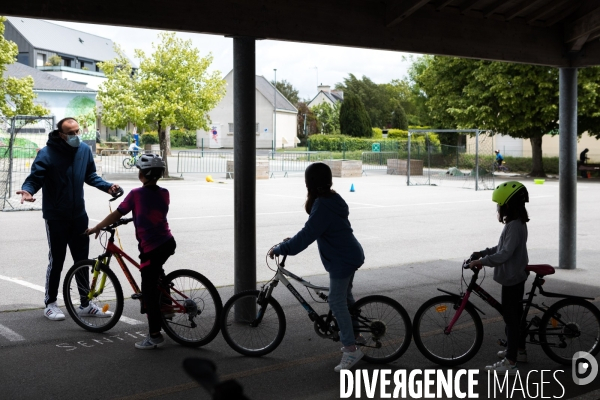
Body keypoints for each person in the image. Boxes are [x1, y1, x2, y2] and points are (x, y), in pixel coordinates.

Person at [16, 117, 120, 321]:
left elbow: (90, 175)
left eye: (77, 131)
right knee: (57, 259)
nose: (76, 136)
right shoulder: (47, 154)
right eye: (71, 133)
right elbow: (35, 178)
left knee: (82, 261)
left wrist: (108, 186)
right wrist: (28, 191)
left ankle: (84, 303)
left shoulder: (83, 151)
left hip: (79, 215)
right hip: (56, 216)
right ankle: (50, 303)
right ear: (61, 134)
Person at [268, 162, 365, 372]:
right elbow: (310, 231)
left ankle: (351, 349)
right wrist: (289, 243)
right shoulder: (333, 198)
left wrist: (283, 248)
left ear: (309, 183)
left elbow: (306, 236)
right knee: (346, 298)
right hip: (349, 255)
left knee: (336, 300)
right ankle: (356, 334)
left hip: (342, 259)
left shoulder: (322, 205)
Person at [85, 154, 175, 350]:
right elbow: (150, 213)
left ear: (144, 174)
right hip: (167, 242)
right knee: (156, 272)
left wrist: (98, 227)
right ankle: (166, 304)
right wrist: (132, 218)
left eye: (140, 170)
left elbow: (117, 213)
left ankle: (154, 335)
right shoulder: (165, 192)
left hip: (151, 247)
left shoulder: (135, 194)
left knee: (148, 292)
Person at [468, 181, 530, 375]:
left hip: (512, 278)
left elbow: (504, 255)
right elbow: (501, 249)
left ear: (508, 205)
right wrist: (482, 253)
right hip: (514, 276)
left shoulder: (514, 226)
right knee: (514, 317)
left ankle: (511, 362)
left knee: (511, 319)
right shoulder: (515, 224)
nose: (498, 208)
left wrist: (482, 262)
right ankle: (519, 349)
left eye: (499, 204)